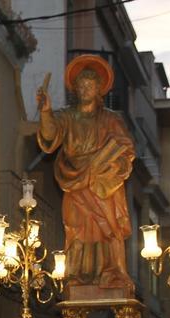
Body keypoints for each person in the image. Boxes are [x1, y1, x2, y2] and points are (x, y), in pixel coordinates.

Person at [36, 54, 137, 292]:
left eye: (89, 85)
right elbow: (50, 134)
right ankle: (77, 275)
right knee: (75, 228)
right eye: (80, 85)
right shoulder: (67, 116)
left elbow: (127, 148)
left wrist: (111, 166)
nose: (84, 89)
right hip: (74, 180)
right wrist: (46, 112)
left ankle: (112, 272)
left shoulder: (111, 119)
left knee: (108, 228)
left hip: (102, 184)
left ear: (99, 90)